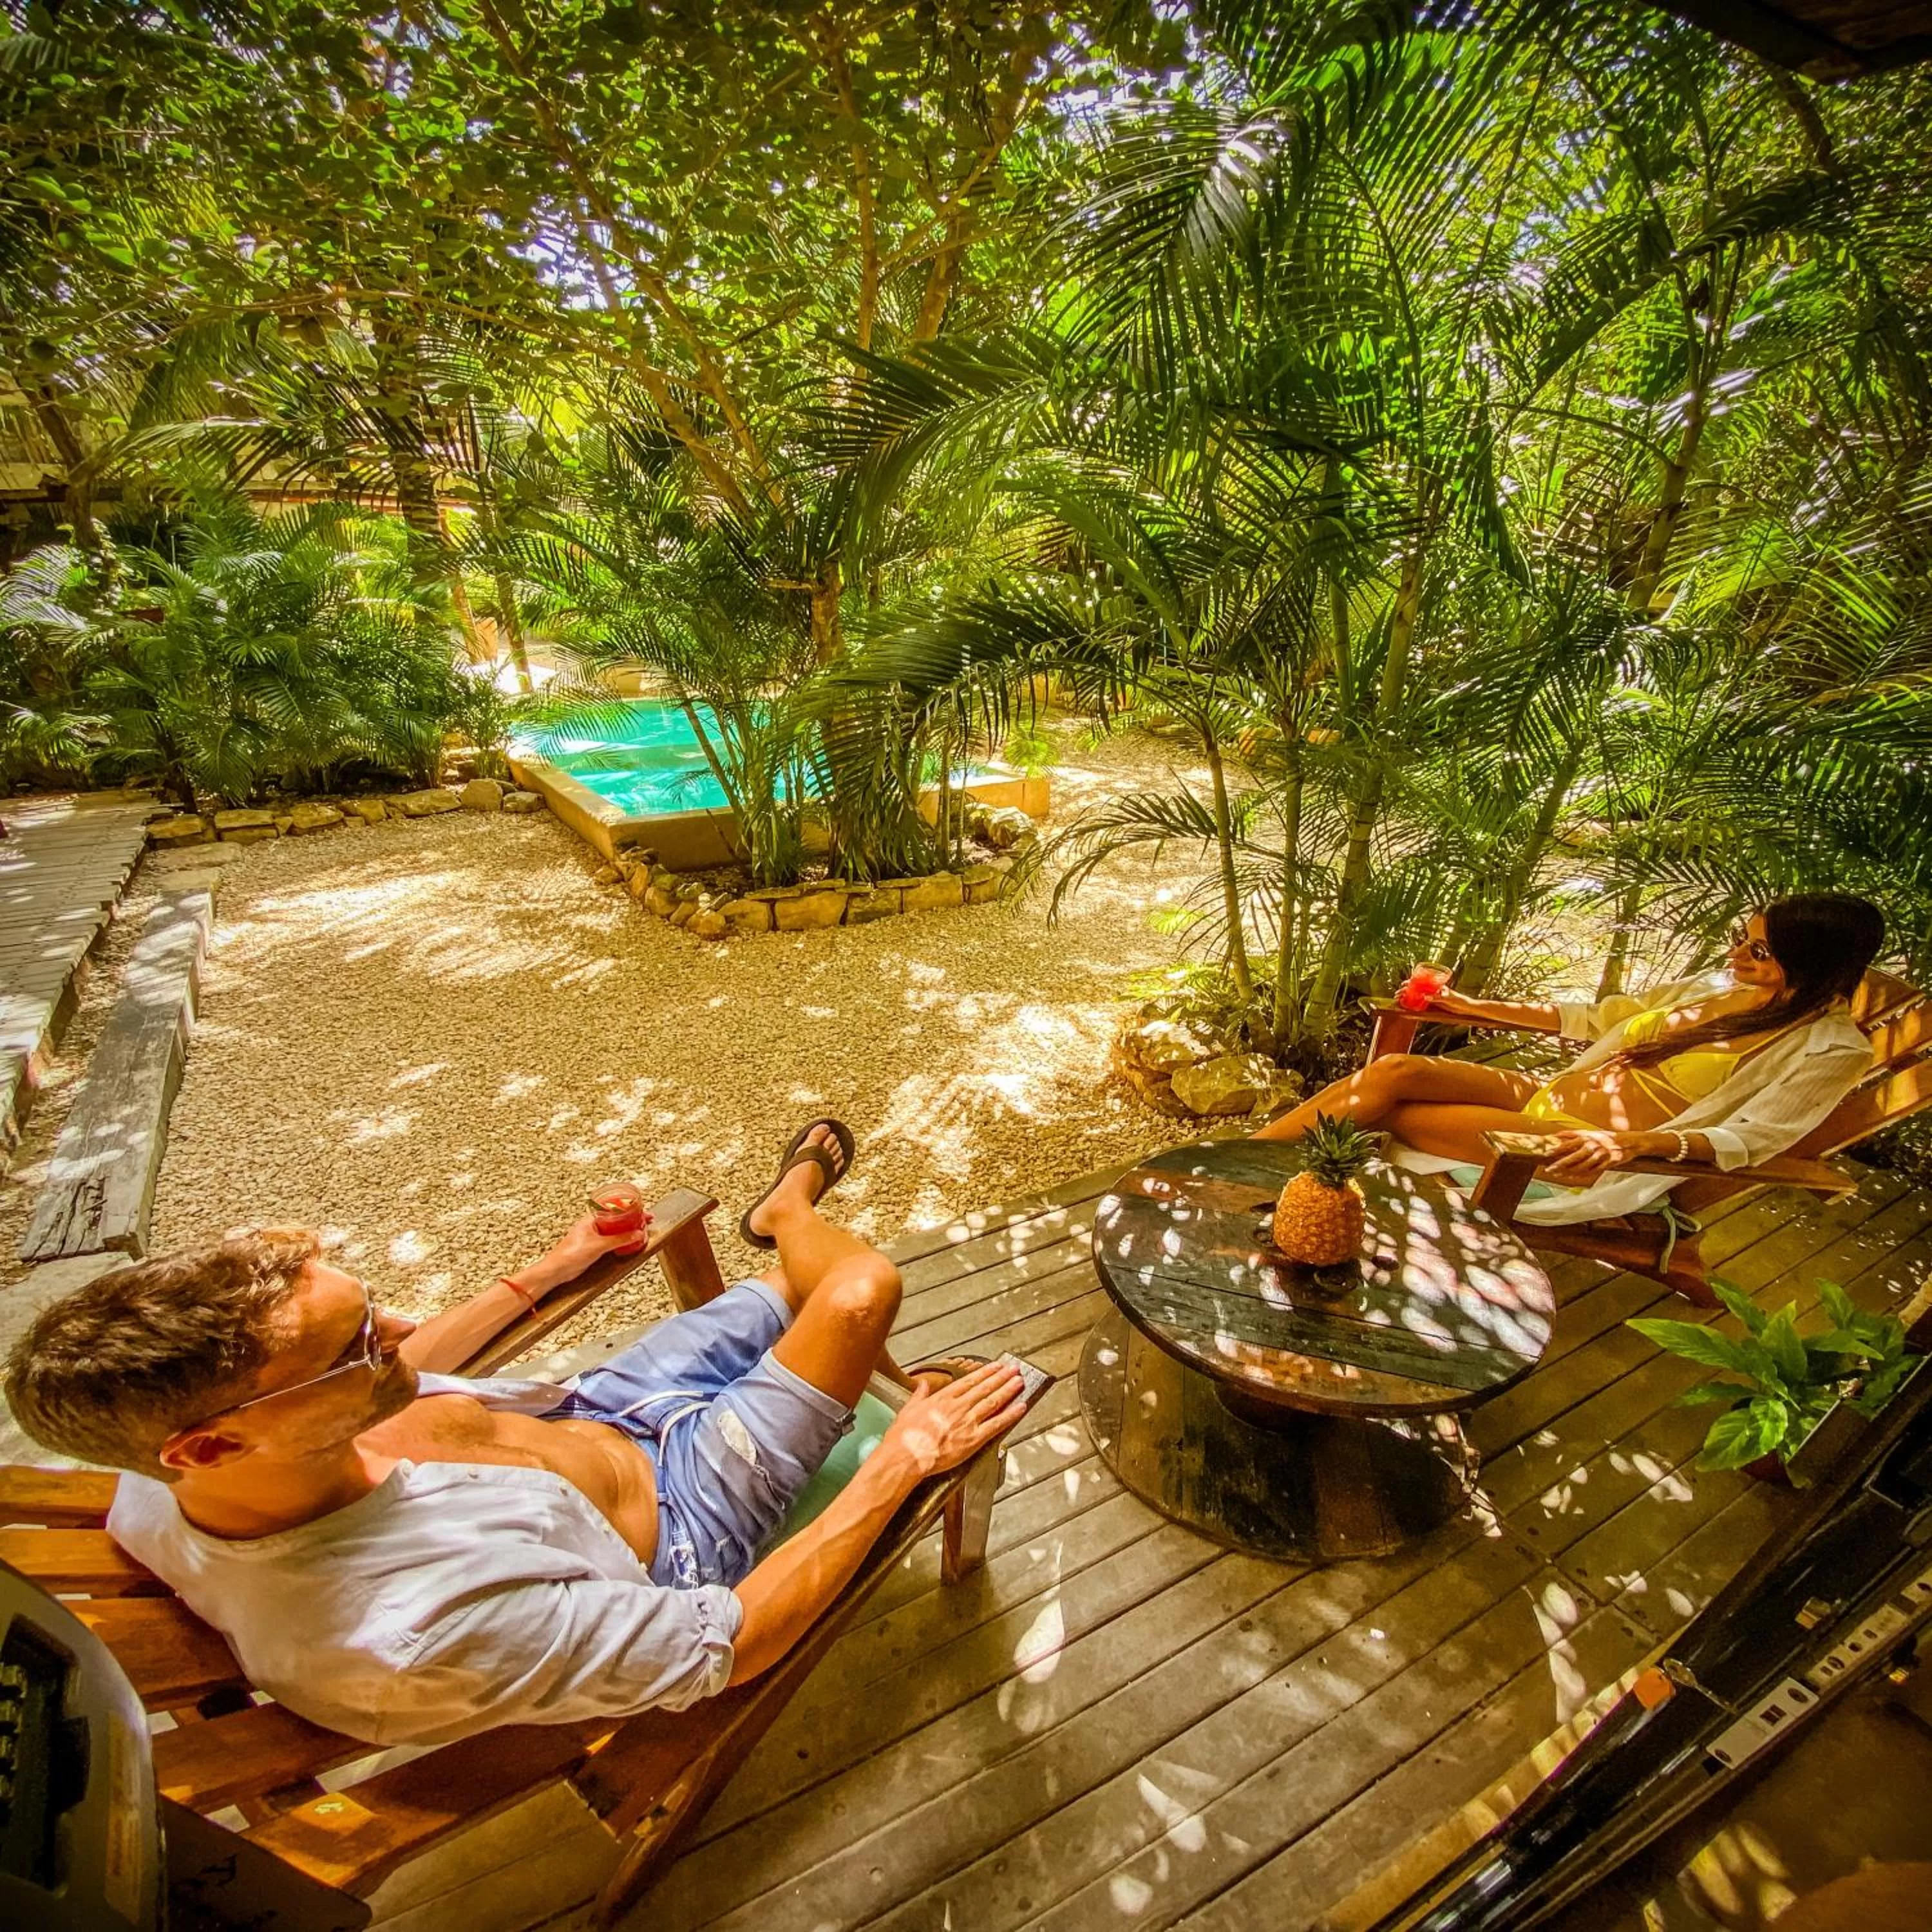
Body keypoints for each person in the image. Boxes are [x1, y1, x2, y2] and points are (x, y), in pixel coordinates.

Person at [2, 1120, 1027, 1748]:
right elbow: (733, 1643)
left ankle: (815, 1273)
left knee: (798, 1296)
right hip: (685, 1516)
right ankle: (792, 1201)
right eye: (358, 1344)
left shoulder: (171, 1478)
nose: (400, 1331)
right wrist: (902, 1462)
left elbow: (414, 1371)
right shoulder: (407, 1632)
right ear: (212, 1446)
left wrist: (554, 1264)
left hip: (590, 1406)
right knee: (855, 1288)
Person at [1255, 893, 1885, 1227]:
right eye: (1740, 938)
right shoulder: (1719, 989)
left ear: (1810, 965)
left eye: (1760, 950)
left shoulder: (1829, 1051)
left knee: (1386, 1113)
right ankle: (1237, 1166)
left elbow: (1753, 1137)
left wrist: (1629, 1145)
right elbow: (1603, 1017)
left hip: (1587, 1152)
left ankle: (1237, 1181)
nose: (1738, 955)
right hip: (1548, 1096)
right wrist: (1476, 1006)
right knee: (1395, 1075)